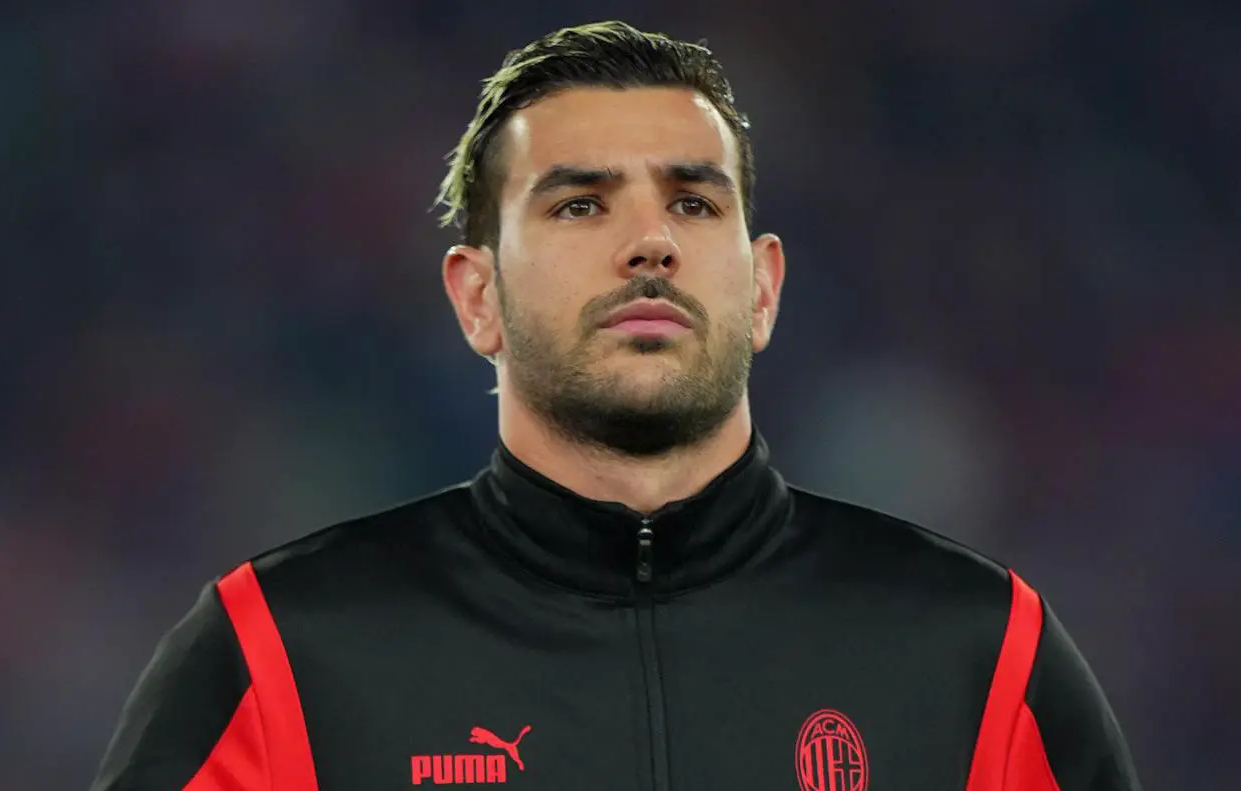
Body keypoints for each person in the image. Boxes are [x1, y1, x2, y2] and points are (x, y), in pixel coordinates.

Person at [91, 20, 1141, 791]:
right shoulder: (280, 653)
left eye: (692, 200)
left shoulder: (976, 654)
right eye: (581, 203)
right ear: (476, 296)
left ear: (763, 288)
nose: (649, 242)